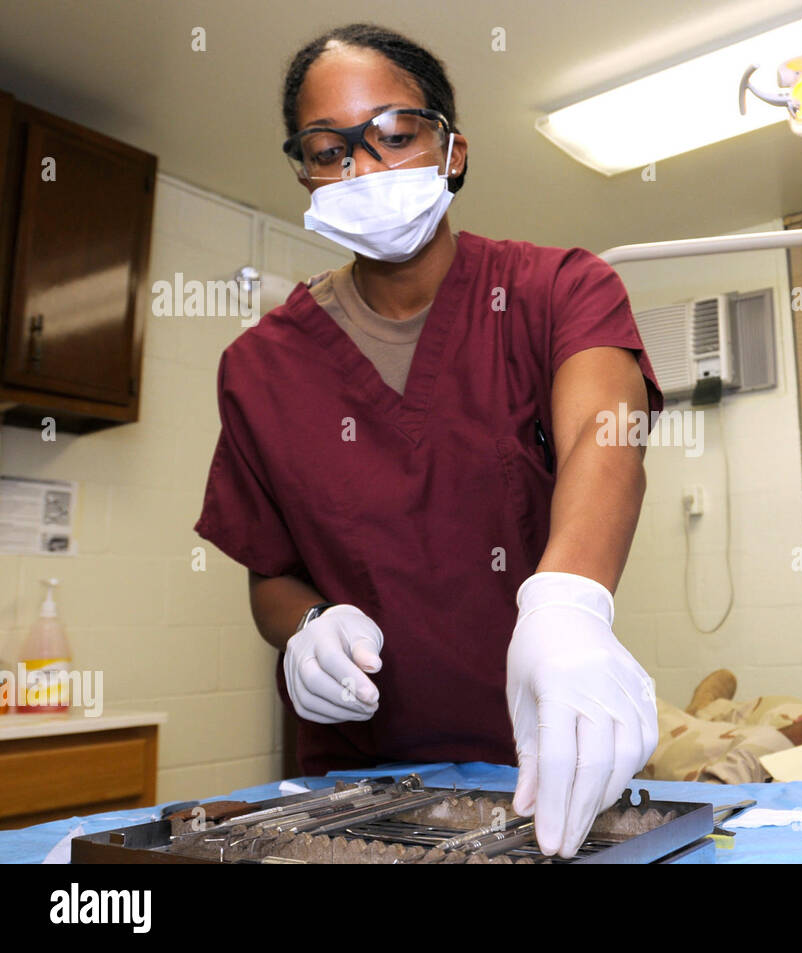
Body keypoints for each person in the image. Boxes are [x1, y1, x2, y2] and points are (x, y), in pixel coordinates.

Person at [193, 23, 662, 859]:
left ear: (452, 150)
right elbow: (271, 571)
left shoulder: (558, 289)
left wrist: (567, 604)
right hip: (357, 788)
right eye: (329, 149)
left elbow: (606, 432)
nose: (364, 168)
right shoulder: (259, 366)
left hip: (543, 755)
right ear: (304, 171)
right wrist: (306, 624)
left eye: (395, 136)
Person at [639, 669, 802, 784]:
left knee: (650, 721)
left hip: (786, 771)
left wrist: (777, 743)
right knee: (790, 710)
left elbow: (709, 800)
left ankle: (688, 721)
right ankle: (708, 708)